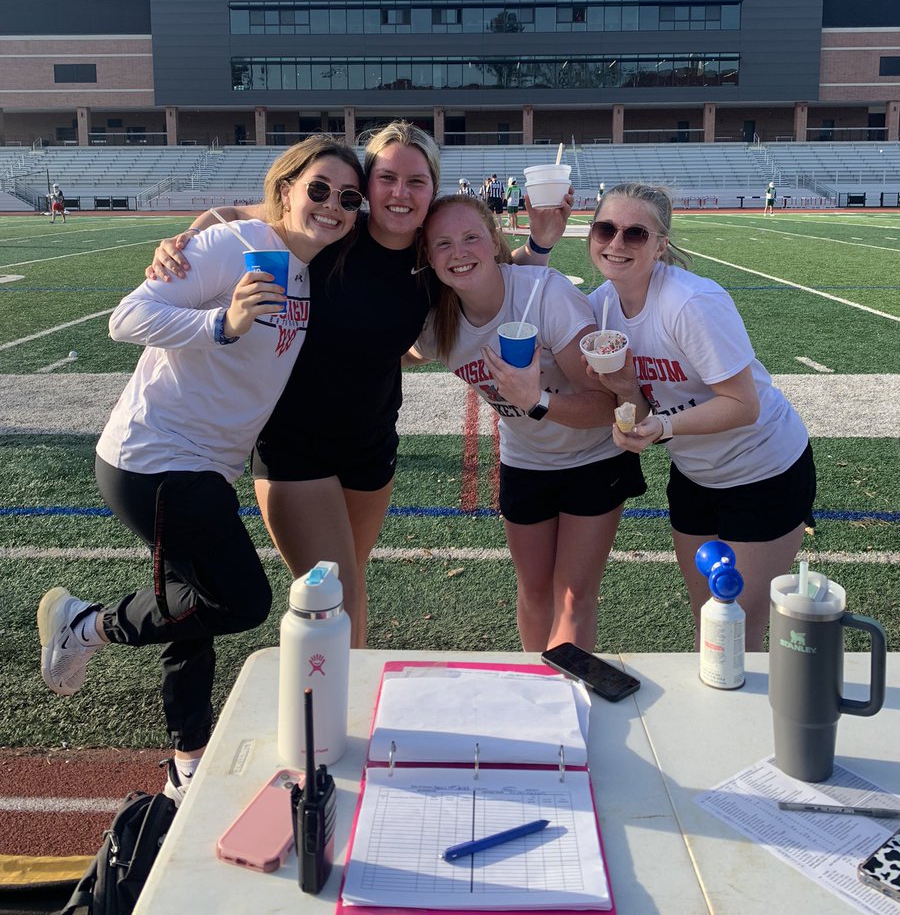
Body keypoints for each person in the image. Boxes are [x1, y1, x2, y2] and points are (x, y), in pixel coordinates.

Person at [144, 122, 572, 648]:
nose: (400, 192)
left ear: (432, 188)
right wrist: (186, 238)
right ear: (368, 186)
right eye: (387, 177)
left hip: (370, 446)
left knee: (352, 591)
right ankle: (319, 722)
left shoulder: (432, 251)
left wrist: (541, 242)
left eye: (416, 181)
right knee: (332, 599)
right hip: (294, 446)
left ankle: (343, 713)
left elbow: (498, 281)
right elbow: (237, 219)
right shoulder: (331, 226)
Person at [36, 136, 364, 803]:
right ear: (289, 188)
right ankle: (88, 625)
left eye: (348, 197)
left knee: (200, 602)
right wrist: (224, 322)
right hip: (155, 459)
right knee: (240, 599)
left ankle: (188, 759)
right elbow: (127, 319)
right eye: (320, 189)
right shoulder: (228, 247)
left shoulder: (305, 267)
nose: (332, 205)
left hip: (206, 468)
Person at [406, 195, 646, 652]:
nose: (459, 253)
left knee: (574, 597)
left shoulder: (546, 294)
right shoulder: (438, 324)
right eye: (442, 244)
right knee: (535, 593)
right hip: (525, 461)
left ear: (494, 240)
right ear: (428, 258)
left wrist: (535, 400)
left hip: (593, 457)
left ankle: (570, 701)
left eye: (471, 237)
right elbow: (395, 354)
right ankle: (537, 691)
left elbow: (607, 406)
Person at [583, 182, 815, 651]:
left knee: (737, 629)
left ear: (660, 245)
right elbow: (642, 399)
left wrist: (663, 427)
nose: (616, 243)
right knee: (709, 621)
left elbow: (743, 405)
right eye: (605, 228)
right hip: (695, 474)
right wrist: (628, 396)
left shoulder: (690, 302)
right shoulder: (601, 306)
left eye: (635, 234)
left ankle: (745, 723)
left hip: (763, 471)